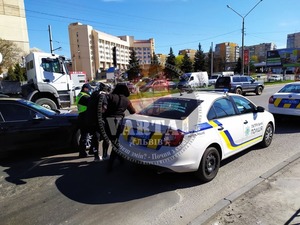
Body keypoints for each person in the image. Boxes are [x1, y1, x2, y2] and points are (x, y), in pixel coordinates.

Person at [100, 83, 136, 171]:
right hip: (119, 123)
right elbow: (132, 112)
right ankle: (110, 165)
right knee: (116, 144)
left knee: (115, 142)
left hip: (109, 122)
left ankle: (120, 160)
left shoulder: (110, 97)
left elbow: (103, 108)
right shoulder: (126, 100)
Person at [86, 82, 111, 162]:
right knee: (106, 136)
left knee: (95, 138)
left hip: (92, 120)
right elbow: (103, 108)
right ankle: (104, 154)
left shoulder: (93, 95)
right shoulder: (103, 96)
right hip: (101, 120)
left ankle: (96, 156)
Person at [76, 83, 92, 158]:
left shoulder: (80, 95)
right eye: (89, 89)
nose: (89, 91)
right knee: (85, 136)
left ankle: (85, 151)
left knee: (84, 135)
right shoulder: (84, 96)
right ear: (85, 89)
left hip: (82, 116)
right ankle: (82, 153)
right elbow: (91, 103)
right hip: (85, 117)